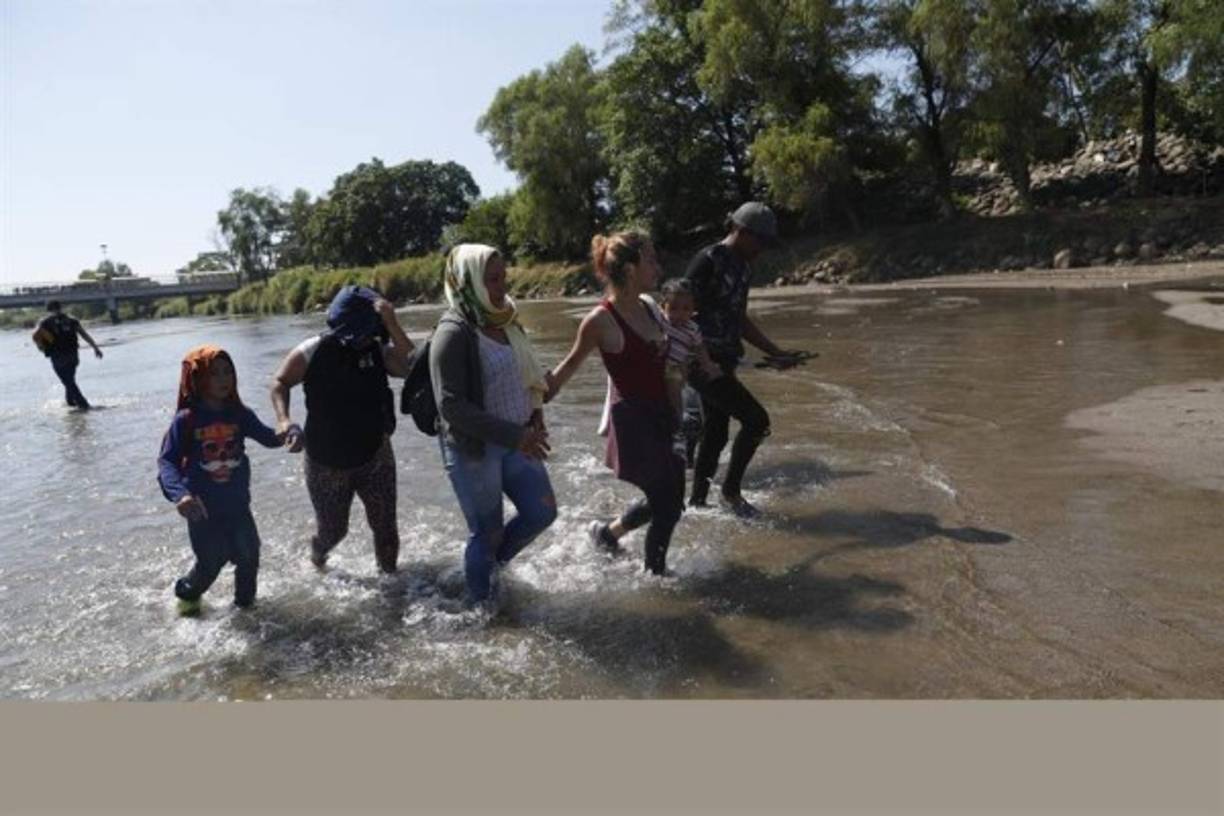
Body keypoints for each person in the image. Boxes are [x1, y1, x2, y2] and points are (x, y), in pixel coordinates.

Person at [547, 231, 685, 576]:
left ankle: (607, 534)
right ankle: (657, 578)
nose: (658, 266)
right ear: (629, 268)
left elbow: (670, 359)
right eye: (650, 259)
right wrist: (535, 399)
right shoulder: (600, 320)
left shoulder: (651, 307)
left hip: (663, 416)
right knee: (667, 506)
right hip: (634, 424)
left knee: (670, 499)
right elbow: (569, 366)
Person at [430, 244, 557, 609]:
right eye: (492, 279)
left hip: (519, 437)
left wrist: (536, 416)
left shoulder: (506, 319)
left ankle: (486, 568)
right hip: (474, 448)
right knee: (486, 532)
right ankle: (482, 612)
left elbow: (525, 374)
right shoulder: (452, 333)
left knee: (542, 512)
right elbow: (451, 406)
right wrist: (517, 436)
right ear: (467, 280)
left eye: (503, 277)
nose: (502, 287)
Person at [269, 286, 414, 575]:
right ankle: (317, 555)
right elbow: (279, 383)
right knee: (334, 531)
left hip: (375, 453)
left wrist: (392, 324)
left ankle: (392, 587)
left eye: (368, 333)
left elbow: (412, 366)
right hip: (326, 460)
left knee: (386, 528)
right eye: (356, 334)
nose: (362, 340)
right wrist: (284, 420)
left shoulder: (378, 349)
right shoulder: (312, 351)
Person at [684, 202, 808, 518]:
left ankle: (697, 502)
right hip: (702, 362)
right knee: (756, 420)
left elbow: (739, 318)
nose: (763, 249)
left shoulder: (744, 267)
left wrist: (775, 352)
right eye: (761, 241)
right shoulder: (707, 261)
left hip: (724, 360)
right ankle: (730, 493)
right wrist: (701, 359)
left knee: (716, 432)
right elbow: (679, 316)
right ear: (739, 230)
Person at [157, 346, 289, 616]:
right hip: (201, 509)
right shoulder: (187, 420)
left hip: (237, 505)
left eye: (228, 372)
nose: (223, 379)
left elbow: (268, 437)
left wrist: (290, 431)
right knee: (210, 564)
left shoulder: (239, 413)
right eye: (214, 373)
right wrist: (180, 495)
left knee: (249, 556)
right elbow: (167, 461)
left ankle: (245, 610)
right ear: (197, 379)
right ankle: (185, 592)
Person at [657, 278, 722, 463]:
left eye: (686, 309)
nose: (680, 314)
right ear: (663, 306)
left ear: (694, 310)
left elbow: (700, 348)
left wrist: (709, 366)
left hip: (677, 370)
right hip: (657, 368)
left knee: (676, 401)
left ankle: (677, 429)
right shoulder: (660, 321)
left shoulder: (692, 328)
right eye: (674, 308)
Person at [33, 300, 103, 410]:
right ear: (61, 307)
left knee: (68, 382)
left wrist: (42, 348)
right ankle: (70, 402)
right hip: (73, 356)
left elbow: (35, 336)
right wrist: (95, 348)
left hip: (57, 357)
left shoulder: (44, 322)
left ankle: (84, 405)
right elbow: (84, 334)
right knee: (70, 380)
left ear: (48, 310)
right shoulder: (72, 320)